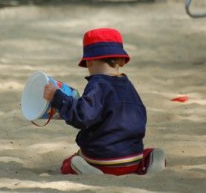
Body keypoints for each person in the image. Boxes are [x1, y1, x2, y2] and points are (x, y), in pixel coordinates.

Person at [43, 28, 166, 175]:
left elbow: (82, 116)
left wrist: (58, 97)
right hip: (132, 157)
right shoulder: (128, 84)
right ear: (121, 60)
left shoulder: (97, 85)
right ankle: (151, 159)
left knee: (69, 163)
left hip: (102, 159)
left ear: (89, 62)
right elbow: (140, 114)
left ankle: (86, 169)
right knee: (147, 153)